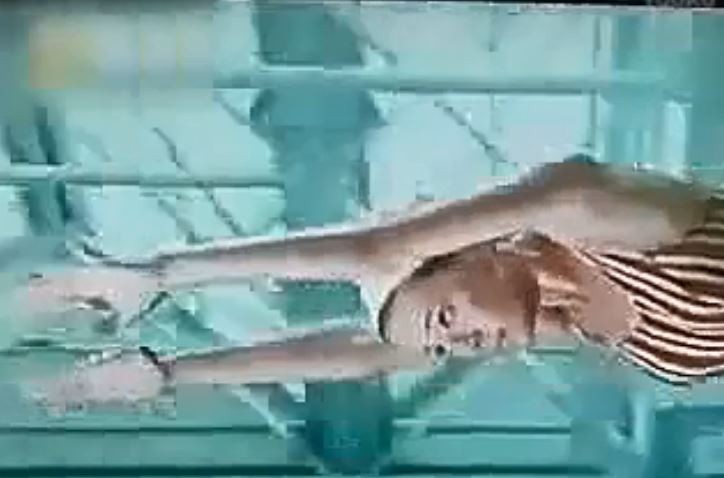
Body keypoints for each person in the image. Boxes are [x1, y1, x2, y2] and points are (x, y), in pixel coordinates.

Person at [20, 155, 724, 409]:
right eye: (444, 348)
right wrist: (173, 373)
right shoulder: (564, 318)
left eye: (447, 321)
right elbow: (359, 354)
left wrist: (166, 271)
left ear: (469, 253)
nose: (463, 345)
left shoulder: (590, 210)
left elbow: (381, 249)